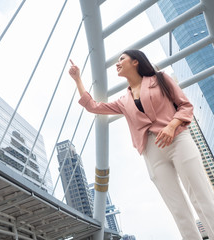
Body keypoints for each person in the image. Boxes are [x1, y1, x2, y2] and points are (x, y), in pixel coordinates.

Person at [69, 49, 214, 240]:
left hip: (178, 138)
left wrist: (171, 126)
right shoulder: (123, 101)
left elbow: (185, 105)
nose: (117, 63)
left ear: (135, 62)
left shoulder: (160, 78)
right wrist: (78, 79)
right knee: (177, 209)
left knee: (201, 195)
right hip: (152, 152)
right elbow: (93, 107)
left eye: (122, 59)